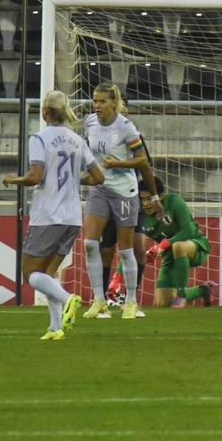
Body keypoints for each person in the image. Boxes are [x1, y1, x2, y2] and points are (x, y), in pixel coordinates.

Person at [4, 90, 103, 339]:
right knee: (49, 273)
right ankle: (55, 327)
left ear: (45, 111)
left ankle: (69, 299)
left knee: (30, 274)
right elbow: (99, 177)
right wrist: (73, 179)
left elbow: (36, 176)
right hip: (72, 217)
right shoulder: (77, 139)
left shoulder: (39, 138)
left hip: (48, 215)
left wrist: (14, 179)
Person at [80, 82, 159, 321]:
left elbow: (142, 159)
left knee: (126, 250)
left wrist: (119, 164)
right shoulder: (90, 123)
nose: (97, 106)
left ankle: (132, 302)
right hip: (100, 188)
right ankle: (99, 301)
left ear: (114, 103)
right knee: (90, 243)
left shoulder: (125, 127)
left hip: (125, 191)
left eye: (102, 101)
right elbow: (89, 154)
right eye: (95, 101)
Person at [139, 179, 216, 307]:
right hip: (169, 253)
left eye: (149, 199)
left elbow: (188, 231)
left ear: (160, 197)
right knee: (162, 304)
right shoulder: (140, 215)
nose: (145, 203)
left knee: (178, 246)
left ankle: (182, 294)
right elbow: (132, 248)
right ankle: (204, 290)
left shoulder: (174, 201)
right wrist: (117, 277)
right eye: (142, 199)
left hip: (195, 245)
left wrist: (161, 246)